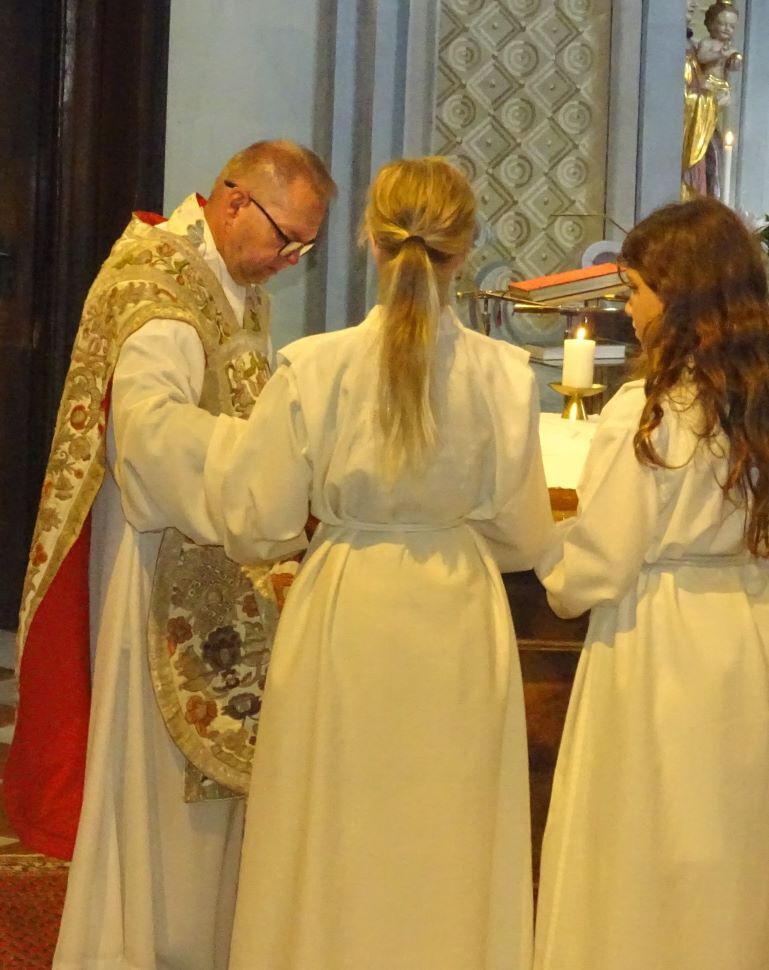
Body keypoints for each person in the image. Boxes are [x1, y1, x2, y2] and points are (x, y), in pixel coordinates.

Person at [173, 155, 554, 968]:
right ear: (466, 249)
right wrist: (447, 529)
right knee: (448, 832)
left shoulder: (315, 366)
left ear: (368, 241)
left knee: (331, 826)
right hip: (458, 613)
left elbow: (258, 523)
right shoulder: (503, 376)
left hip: (345, 608)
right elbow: (525, 538)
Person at [5, 139, 335, 970]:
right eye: (286, 239)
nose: (289, 261)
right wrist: (269, 482)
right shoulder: (158, 289)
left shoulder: (230, 279)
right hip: (159, 566)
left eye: (304, 248)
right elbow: (150, 443)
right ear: (235, 200)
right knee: (158, 795)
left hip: (217, 557)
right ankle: (148, 951)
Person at [534, 197, 769, 970]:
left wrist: (551, 563)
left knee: (637, 846)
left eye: (634, 291)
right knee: (728, 851)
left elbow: (599, 562)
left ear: (679, 292)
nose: (628, 310)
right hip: (746, 636)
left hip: (656, 641)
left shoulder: (651, 407)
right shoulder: (756, 402)